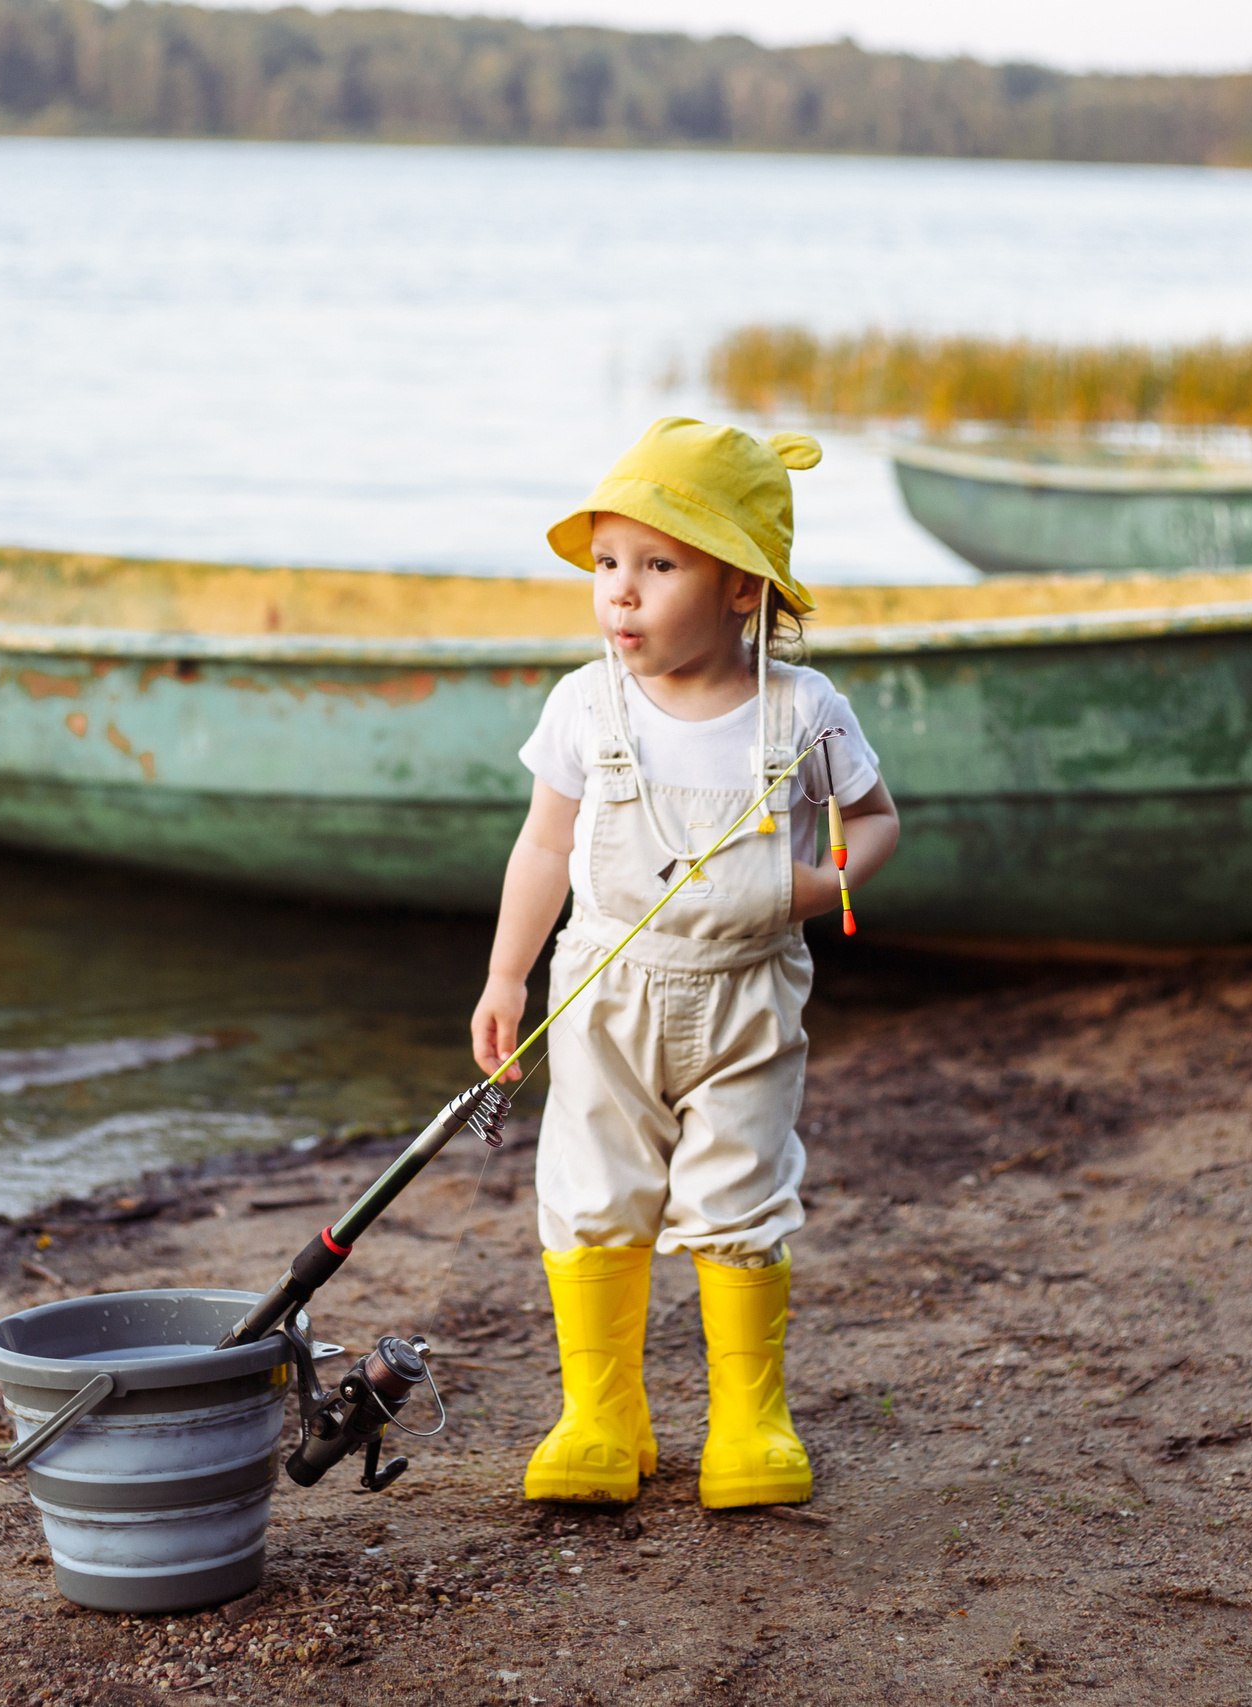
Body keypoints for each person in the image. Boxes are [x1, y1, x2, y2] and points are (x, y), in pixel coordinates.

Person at [470, 417, 900, 1508]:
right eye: (607, 563)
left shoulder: (802, 712)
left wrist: (820, 887)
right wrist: (506, 978)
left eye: (658, 566)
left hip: (750, 998)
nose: (620, 591)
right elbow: (545, 846)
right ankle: (601, 1416)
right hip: (603, 992)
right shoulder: (584, 705)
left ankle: (749, 1423)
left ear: (743, 590)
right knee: (592, 1189)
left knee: (740, 1192)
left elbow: (876, 822)